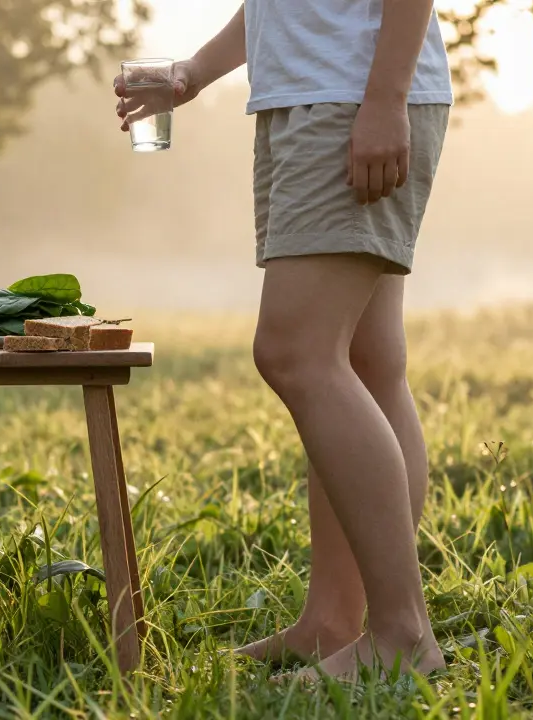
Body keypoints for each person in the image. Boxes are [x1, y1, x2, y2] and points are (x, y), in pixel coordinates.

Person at [114, 0, 454, 683]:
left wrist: (384, 100)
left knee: (296, 354)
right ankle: (332, 622)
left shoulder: (367, 95)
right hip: (316, 97)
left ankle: (401, 634)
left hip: (351, 99)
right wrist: (193, 72)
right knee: (366, 363)